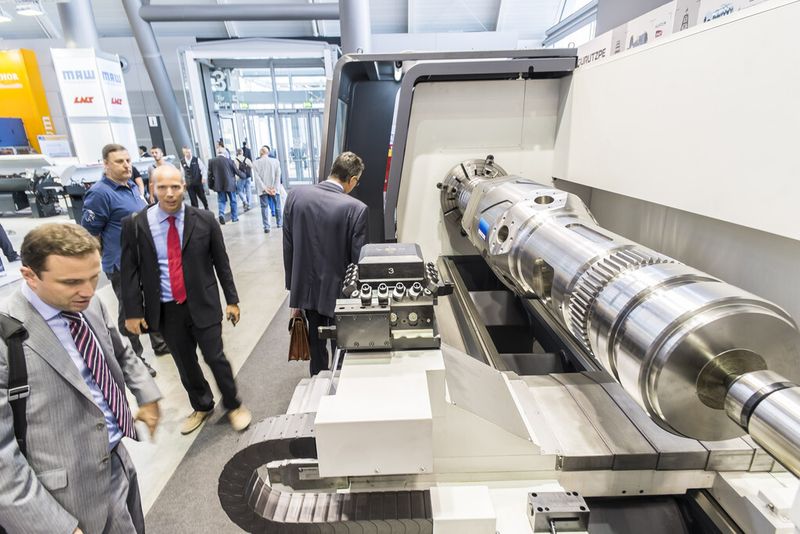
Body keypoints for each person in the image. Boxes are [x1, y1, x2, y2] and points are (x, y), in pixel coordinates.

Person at [0, 223, 161, 534]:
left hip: (118, 461)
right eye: (72, 282)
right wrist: (54, 526)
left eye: (93, 277)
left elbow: (121, 352)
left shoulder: (88, 304)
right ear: (30, 276)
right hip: (64, 498)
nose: (88, 291)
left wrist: (147, 394)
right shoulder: (7, 338)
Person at [120, 166, 252, 435]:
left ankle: (234, 404)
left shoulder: (204, 219)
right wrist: (132, 311)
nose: (169, 194)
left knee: (215, 358)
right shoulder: (135, 224)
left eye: (175, 187)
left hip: (203, 302)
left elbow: (221, 262)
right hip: (166, 309)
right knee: (185, 362)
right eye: (163, 188)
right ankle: (202, 404)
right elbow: (129, 270)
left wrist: (232, 299)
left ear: (184, 186)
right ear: (152, 188)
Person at [81, 144, 169, 378]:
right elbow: (90, 234)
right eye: (120, 161)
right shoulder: (100, 193)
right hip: (121, 265)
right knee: (130, 310)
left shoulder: (130, 187)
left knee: (151, 302)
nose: (126, 165)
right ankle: (135, 359)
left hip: (144, 261)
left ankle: (159, 344)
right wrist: (98, 262)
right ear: (106, 164)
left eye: (128, 160)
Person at [283, 152, 368, 376]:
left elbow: (288, 245)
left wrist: (294, 291)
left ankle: (317, 385)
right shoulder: (356, 209)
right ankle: (339, 385)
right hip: (339, 292)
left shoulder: (295, 196)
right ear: (352, 180)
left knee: (315, 344)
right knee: (342, 346)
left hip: (307, 290)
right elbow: (357, 261)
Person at [208, 146, 244, 225]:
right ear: (225, 153)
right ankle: (234, 218)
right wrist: (244, 175)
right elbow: (236, 171)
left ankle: (221, 214)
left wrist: (210, 185)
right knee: (233, 201)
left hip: (219, 185)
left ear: (217, 153)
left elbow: (209, 175)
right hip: (230, 184)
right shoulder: (230, 161)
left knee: (221, 201)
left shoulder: (211, 161)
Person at [252, 145, 282, 233]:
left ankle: (266, 227)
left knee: (264, 207)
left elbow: (257, 179)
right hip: (274, 189)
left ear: (260, 153)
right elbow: (278, 176)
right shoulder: (275, 161)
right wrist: (274, 188)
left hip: (263, 190)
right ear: (267, 152)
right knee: (277, 206)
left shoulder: (255, 163)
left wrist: (265, 188)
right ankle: (279, 223)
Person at [180, 146, 208, 210]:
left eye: (189, 152)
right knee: (193, 200)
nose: (188, 154)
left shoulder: (196, 159)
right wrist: (184, 182)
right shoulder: (182, 161)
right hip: (189, 184)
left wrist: (204, 177)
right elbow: (182, 173)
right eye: (186, 152)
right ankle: (196, 212)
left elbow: (203, 169)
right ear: (184, 153)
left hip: (198, 182)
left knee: (202, 197)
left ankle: (206, 207)